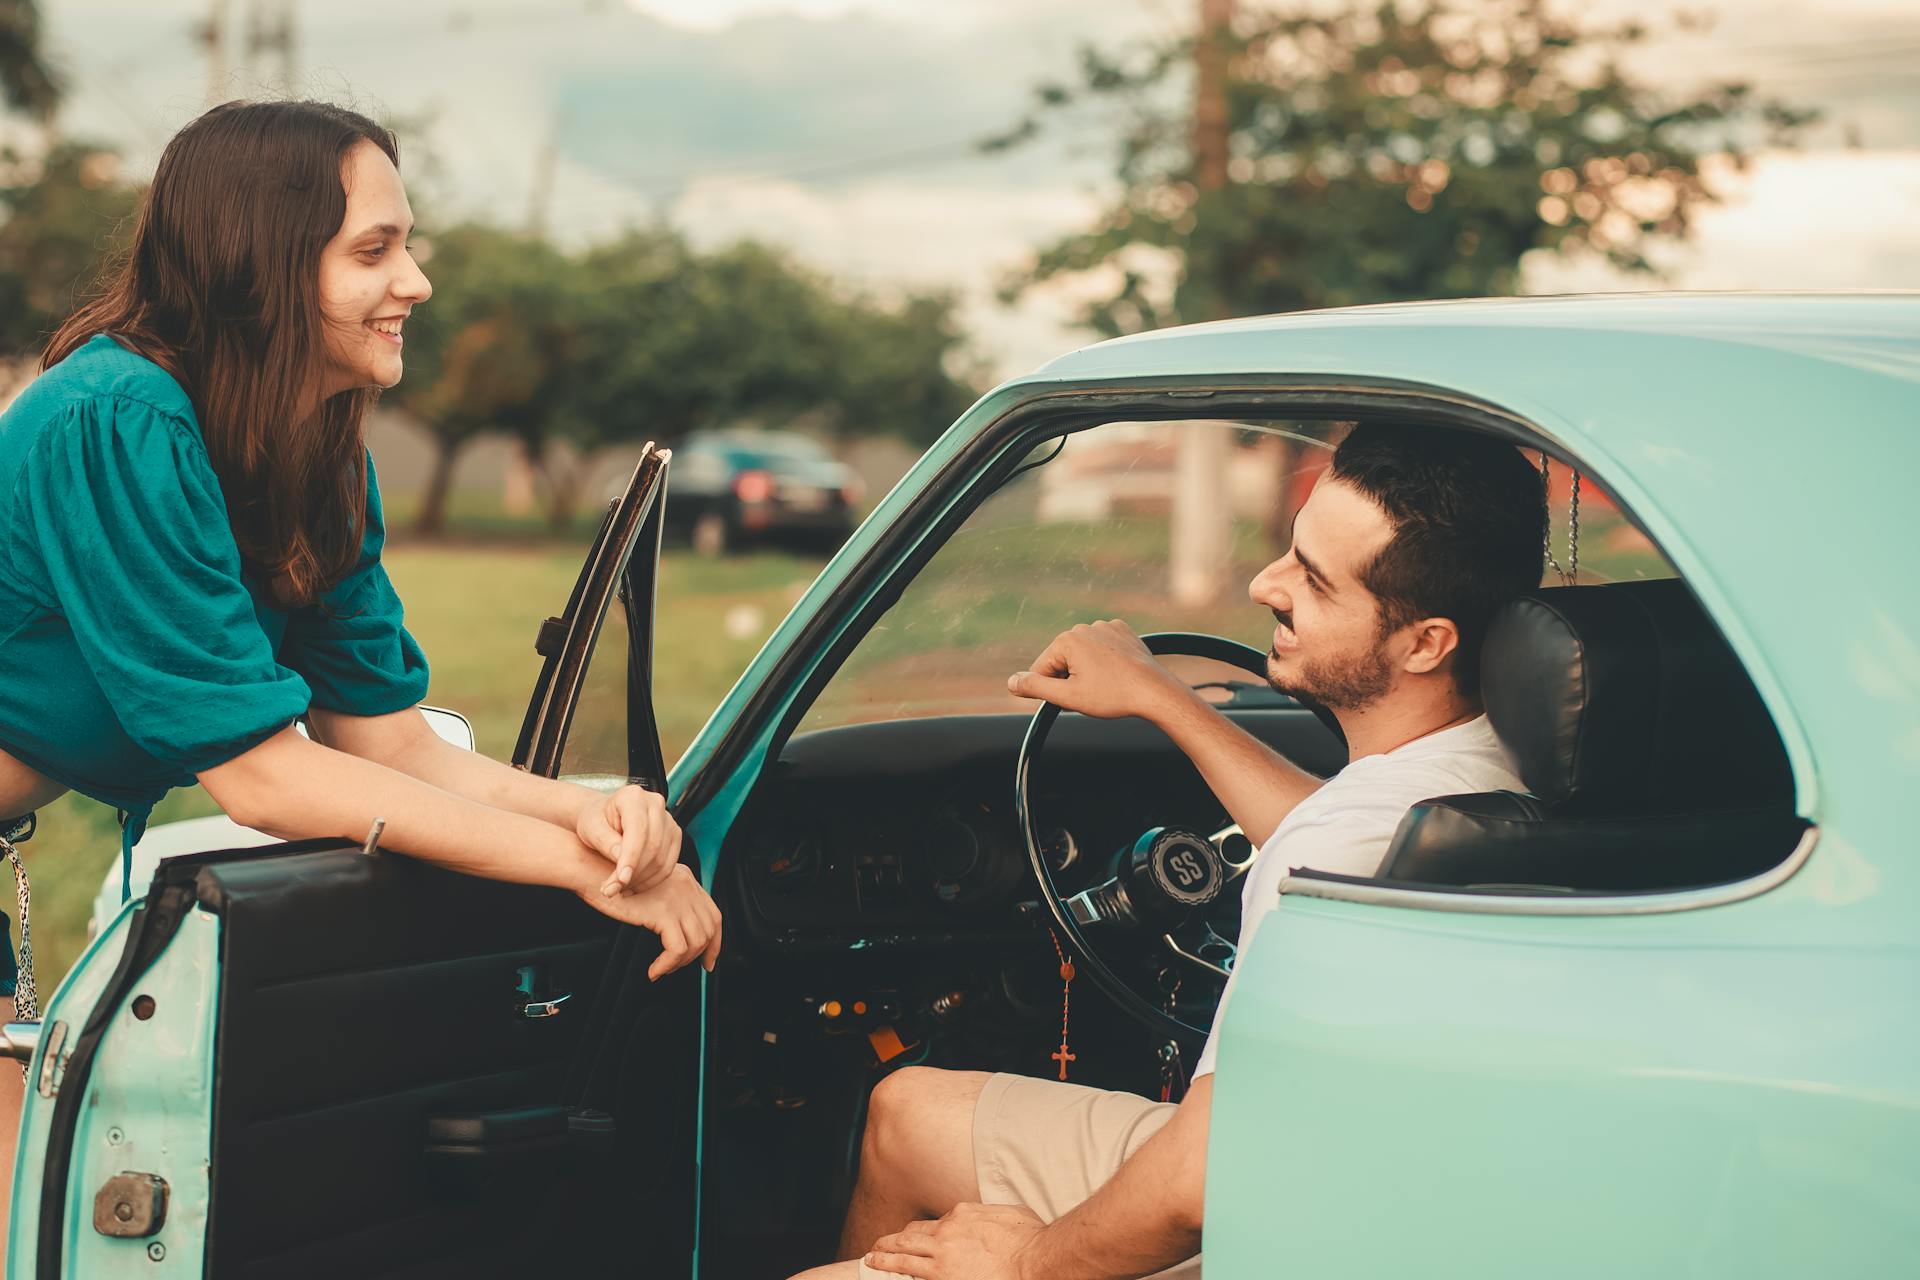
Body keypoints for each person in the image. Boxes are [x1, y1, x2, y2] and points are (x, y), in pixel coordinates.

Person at [0, 101, 720, 1238]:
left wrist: (596, 819)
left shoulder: (321, 452)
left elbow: (386, 740)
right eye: (374, 250)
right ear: (263, 266)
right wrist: (574, 870)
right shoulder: (118, 416)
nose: (418, 281)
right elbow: (266, 779)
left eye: (407, 243)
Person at [803, 424, 1546, 1280]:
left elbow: (1198, 1183)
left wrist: (1023, 1263)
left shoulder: (1342, 850)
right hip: (1371, 1183)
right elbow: (1337, 831)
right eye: (1289, 552)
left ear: (1425, 642)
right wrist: (1163, 698)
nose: (1267, 584)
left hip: (1294, 1221)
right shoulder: (1492, 760)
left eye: (1312, 579)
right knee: (906, 1113)